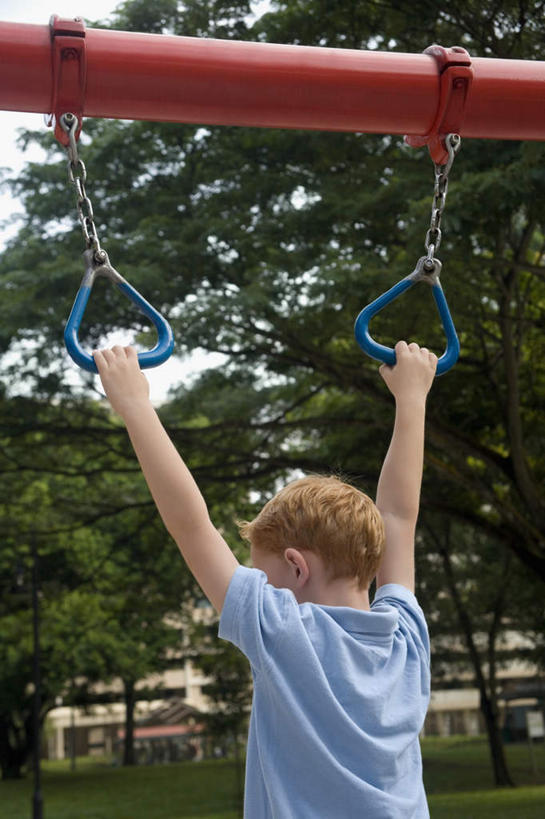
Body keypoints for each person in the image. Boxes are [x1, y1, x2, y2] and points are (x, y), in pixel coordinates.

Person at [93, 340, 437, 818]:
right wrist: (413, 397)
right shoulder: (407, 640)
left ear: (297, 568)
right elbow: (398, 517)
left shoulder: (285, 631)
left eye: (262, 575)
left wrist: (134, 404)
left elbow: (191, 526)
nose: (258, 586)